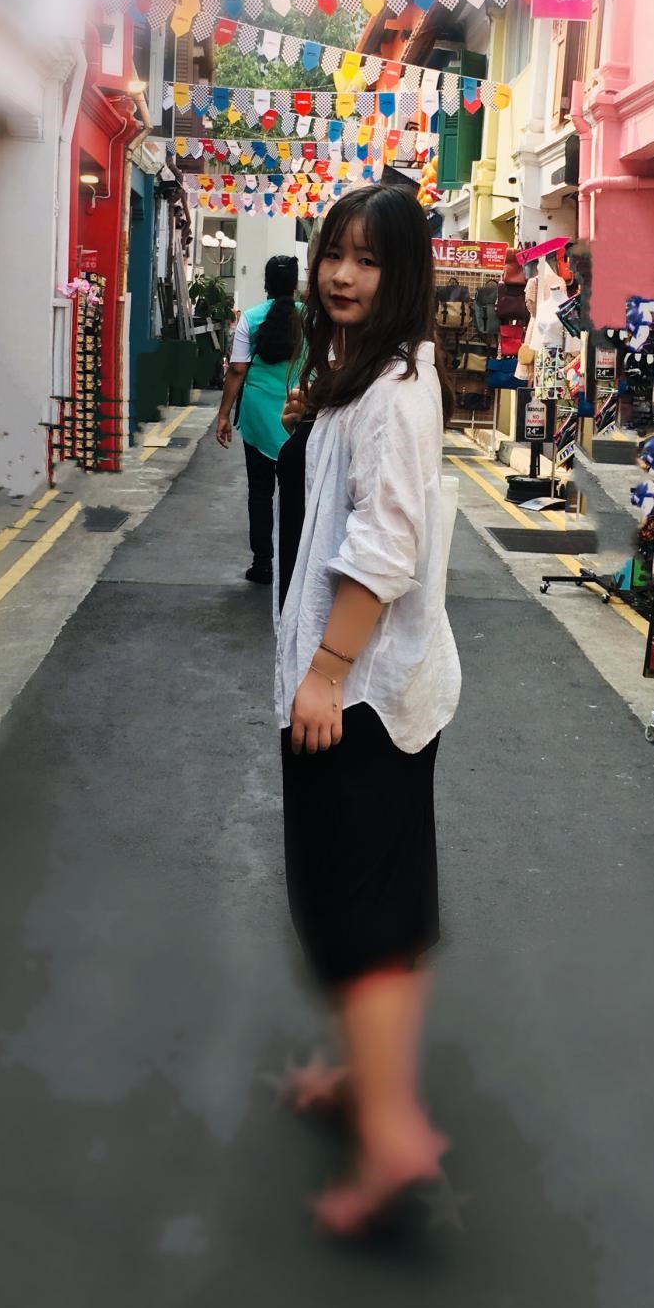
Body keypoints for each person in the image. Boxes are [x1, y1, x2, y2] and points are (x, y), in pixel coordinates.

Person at [272, 186, 460, 1238]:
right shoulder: (369, 375)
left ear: (404, 274)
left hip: (362, 701)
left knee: (358, 919)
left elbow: (384, 547)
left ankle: (390, 1140)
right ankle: (367, 1081)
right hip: (377, 692)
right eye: (332, 253)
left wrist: (326, 671)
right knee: (374, 904)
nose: (341, 275)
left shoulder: (392, 391)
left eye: (368, 259)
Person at [215, 255, 302, 584]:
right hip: (300, 415)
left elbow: (237, 370)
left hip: (257, 418)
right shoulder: (313, 319)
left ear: (266, 284)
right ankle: (295, 565)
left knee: (260, 494)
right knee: (297, 495)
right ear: (295, 283)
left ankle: (262, 563)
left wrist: (223, 415)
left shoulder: (250, 318)